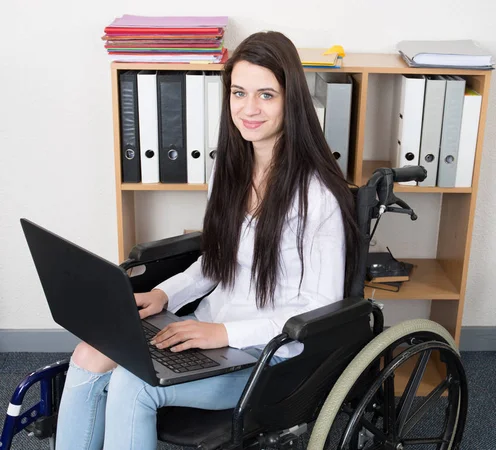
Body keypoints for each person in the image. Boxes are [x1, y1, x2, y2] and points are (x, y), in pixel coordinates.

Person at [54, 30, 360, 450]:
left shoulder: (317, 194)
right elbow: (215, 261)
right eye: (239, 92)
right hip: (209, 331)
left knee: (132, 384)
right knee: (89, 355)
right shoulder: (228, 171)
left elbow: (318, 310)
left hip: (266, 358)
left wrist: (224, 334)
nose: (249, 109)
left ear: (292, 100)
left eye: (266, 95)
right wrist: (164, 293)